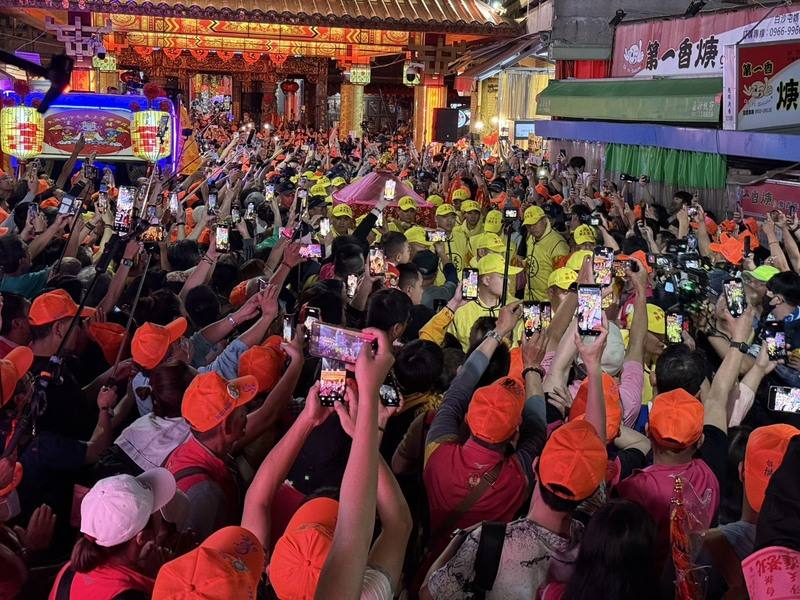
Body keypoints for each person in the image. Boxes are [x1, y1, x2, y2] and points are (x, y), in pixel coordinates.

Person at [422, 420, 607, 599]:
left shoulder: (489, 540)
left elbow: (427, 594)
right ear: (592, 494)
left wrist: (459, 538)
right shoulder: (597, 550)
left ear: (535, 465)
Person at [48, 468, 177, 600]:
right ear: (142, 538)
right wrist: (164, 579)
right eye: (155, 509)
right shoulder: (132, 595)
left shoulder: (70, 570)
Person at [448, 255, 523, 352]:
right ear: (486, 280)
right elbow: (451, 347)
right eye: (502, 277)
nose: (508, 281)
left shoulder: (516, 307)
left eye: (508, 277)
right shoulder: (461, 310)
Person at [519, 205, 569, 302]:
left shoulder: (558, 244)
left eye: (535, 223)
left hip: (547, 301)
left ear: (544, 220)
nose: (532, 228)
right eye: (528, 225)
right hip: (529, 298)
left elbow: (561, 278)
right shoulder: (530, 238)